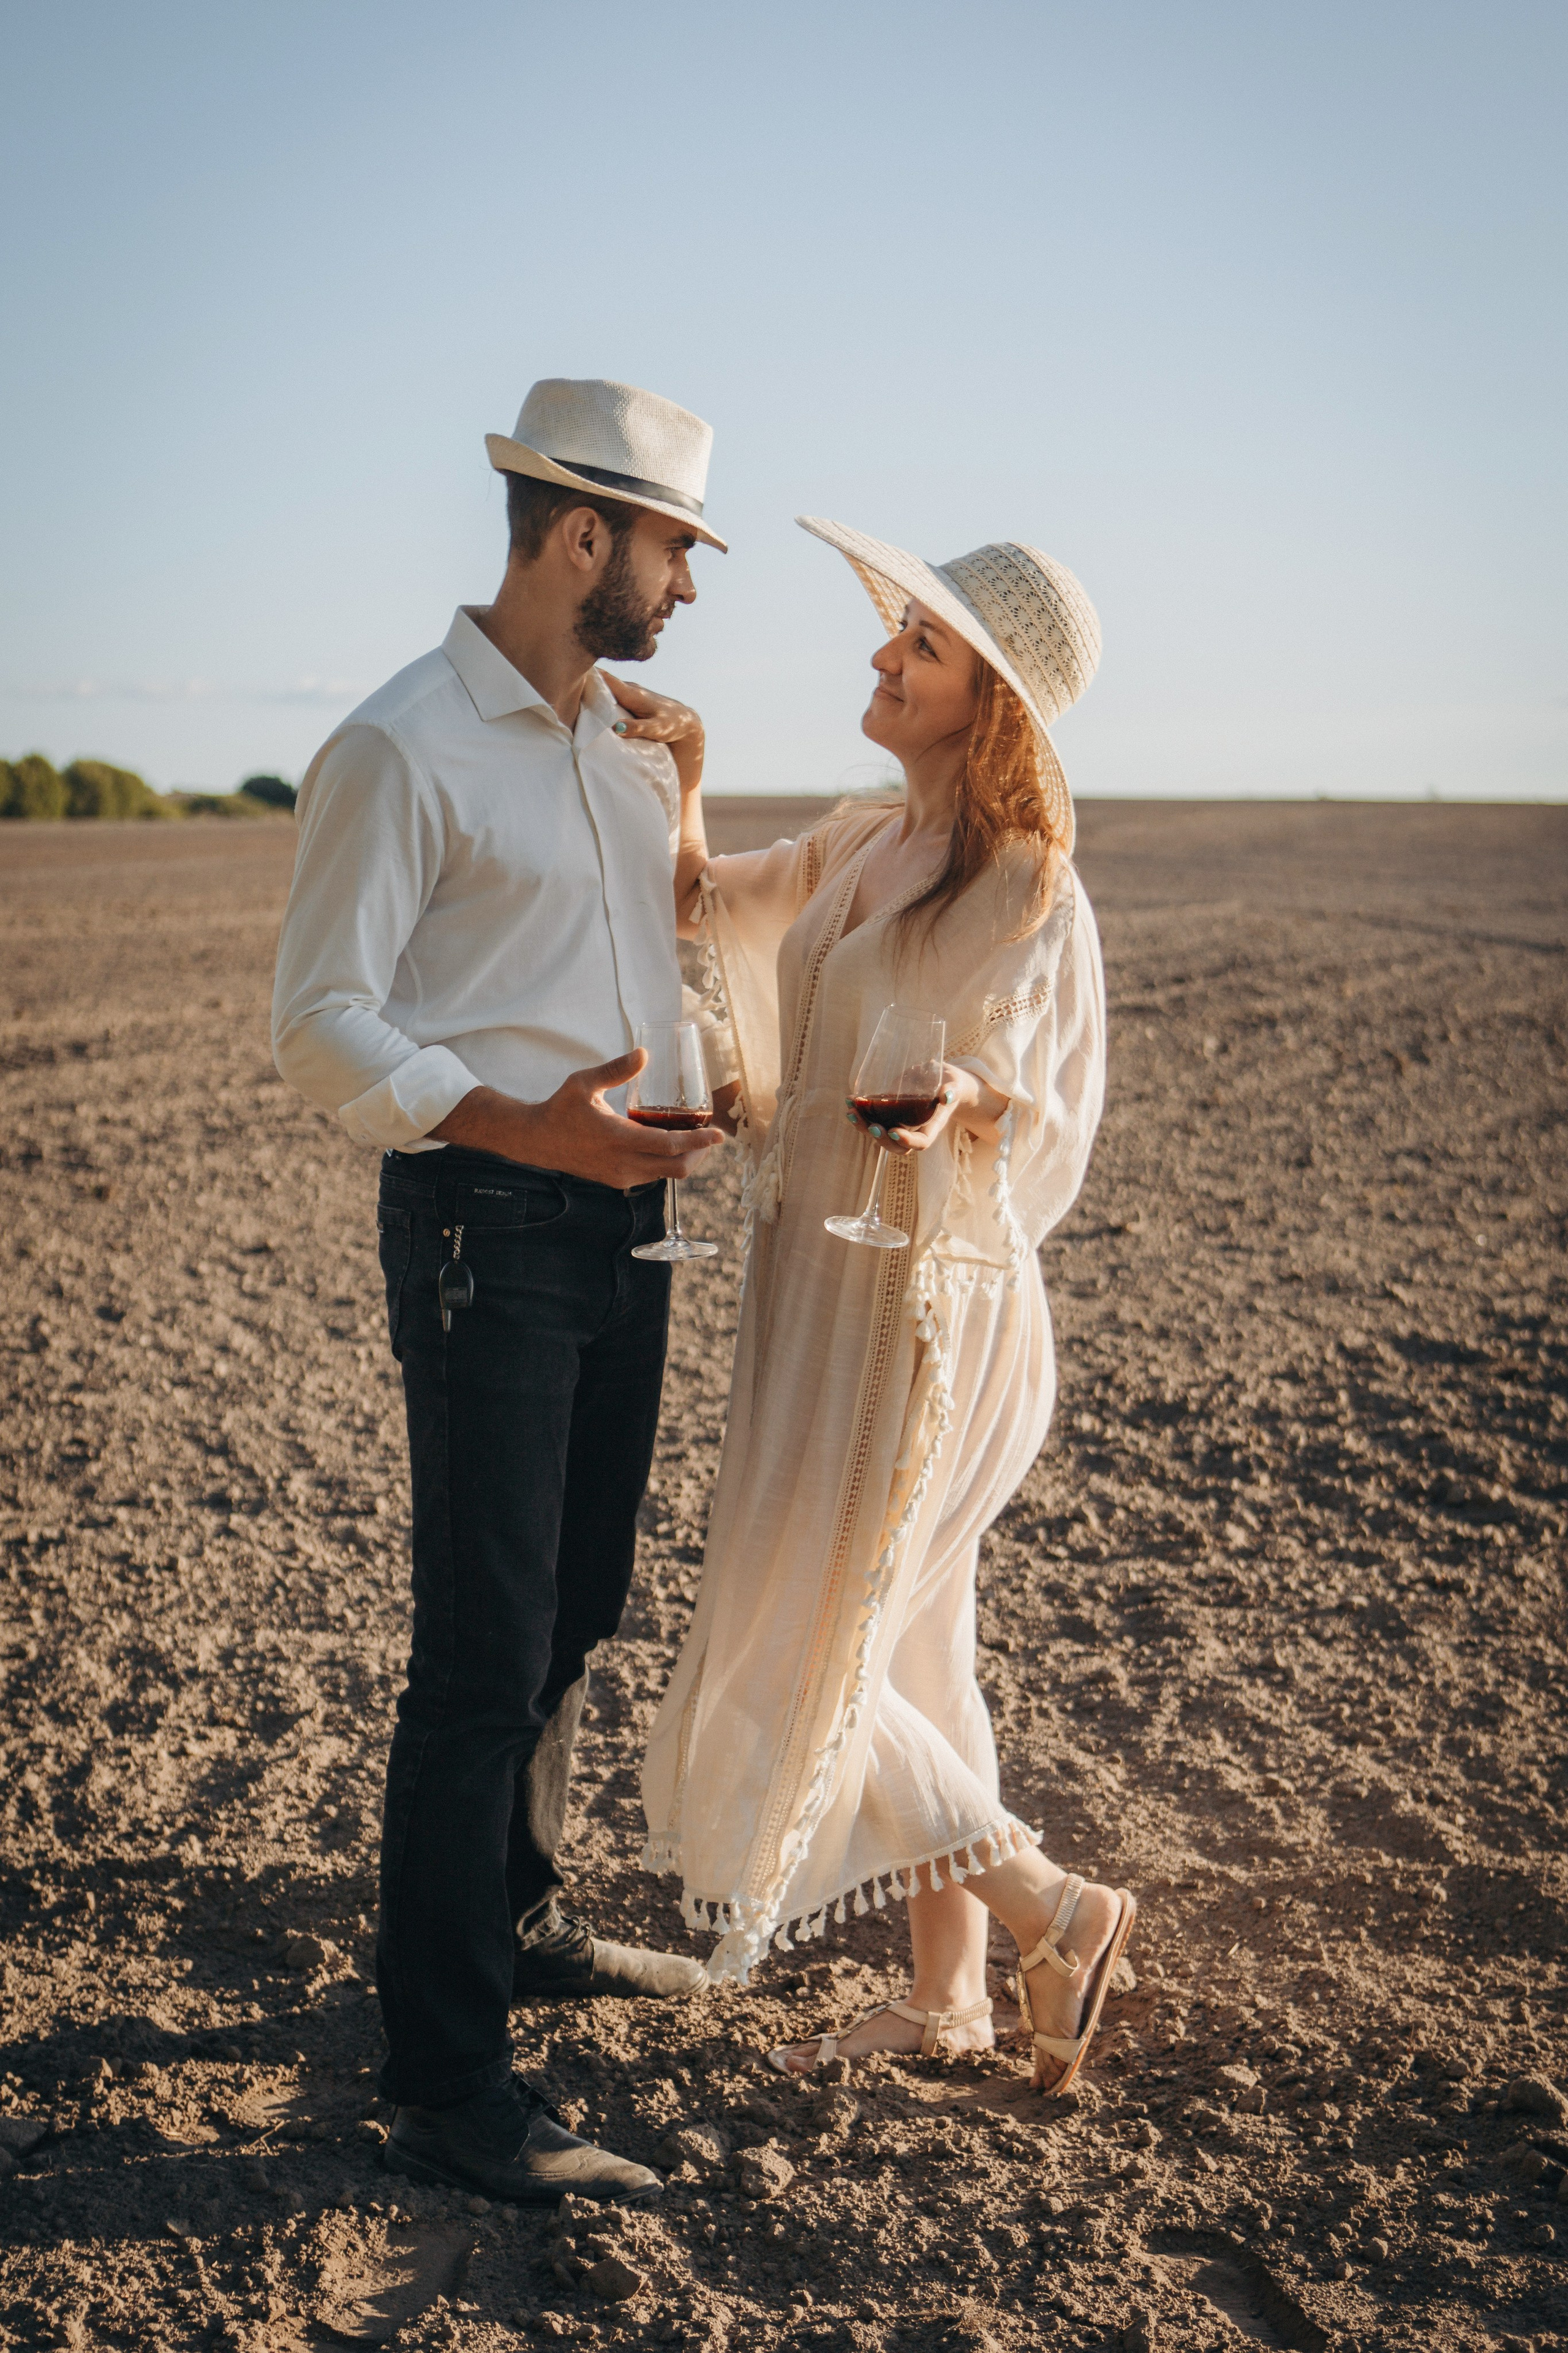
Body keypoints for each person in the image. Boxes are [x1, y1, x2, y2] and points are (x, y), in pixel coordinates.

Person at [271, 377, 735, 2204]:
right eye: (678, 547)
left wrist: (686, 797)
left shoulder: (625, 744)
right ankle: (450, 2081)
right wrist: (524, 1129)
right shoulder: (401, 746)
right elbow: (319, 1017)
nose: (692, 585)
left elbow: (646, 943)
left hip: (625, 1228)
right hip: (486, 1224)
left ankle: (510, 1920)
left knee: (581, 1604)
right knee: (481, 1656)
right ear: (581, 535)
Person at [630, 518, 1137, 2091]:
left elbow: (1037, 1095)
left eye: (916, 647)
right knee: (912, 1656)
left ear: (985, 699)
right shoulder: (858, 842)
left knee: (798, 1658)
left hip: (924, 1311)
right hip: (816, 1284)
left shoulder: (1029, 883)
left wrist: (963, 1100)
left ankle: (1055, 1910)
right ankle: (950, 2005)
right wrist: (687, 772)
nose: (879, 658)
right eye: (894, 633)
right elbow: (705, 905)